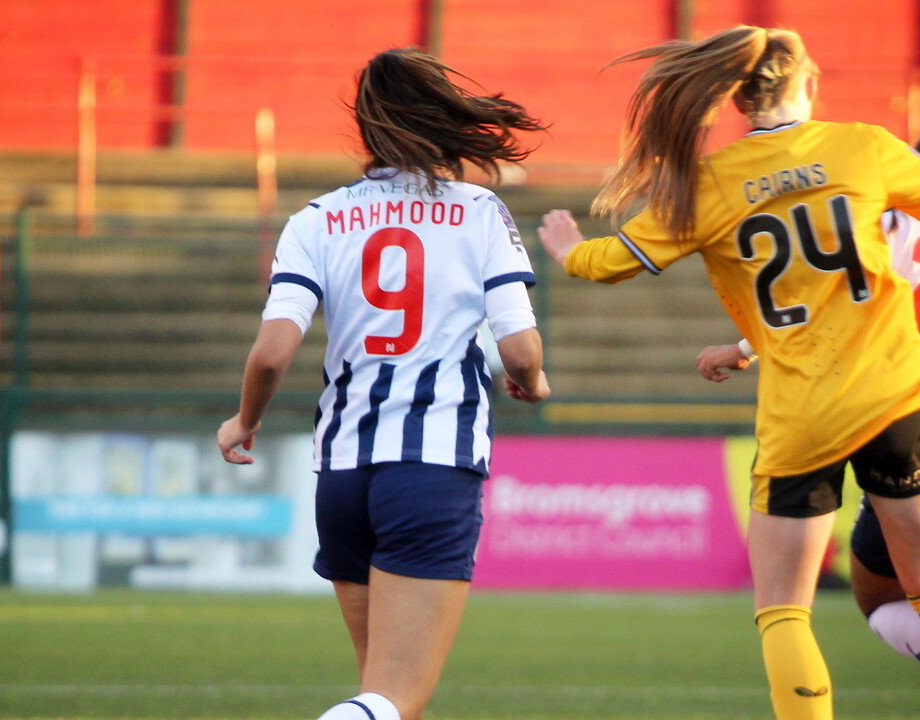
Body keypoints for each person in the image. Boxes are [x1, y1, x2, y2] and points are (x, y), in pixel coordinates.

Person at [536, 26, 920, 720]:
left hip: (801, 417)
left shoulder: (709, 185)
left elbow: (612, 264)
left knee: (783, 612)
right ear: (809, 81)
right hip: (896, 399)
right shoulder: (863, 147)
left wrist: (568, 252)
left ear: (738, 98)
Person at [218, 48, 550, 720]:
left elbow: (271, 354)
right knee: (396, 696)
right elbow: (517, 349)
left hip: (342, 474)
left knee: (387, 697)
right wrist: (535, 382)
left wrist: (244, 421)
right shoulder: (479, 209)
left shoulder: (316, 218)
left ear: (368, 128)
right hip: (431, 466)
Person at [697, 201, 920, 663]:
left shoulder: (882, 188)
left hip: (895, 396)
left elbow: (836, 293)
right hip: (894, 400)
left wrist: (743, 346)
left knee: (874, 600)